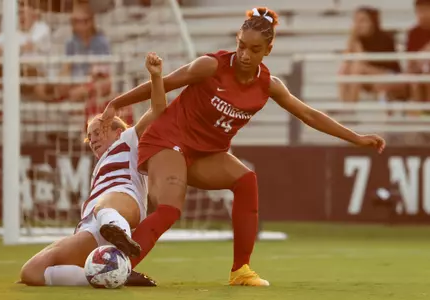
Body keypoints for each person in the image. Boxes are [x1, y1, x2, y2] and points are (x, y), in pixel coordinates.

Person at [100, 7, 386, 287]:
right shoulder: (210, 66)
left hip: (206, 153)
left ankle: (241, 271)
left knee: (246, 180)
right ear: (237, 40)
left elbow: (309, 115)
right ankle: (118, 264)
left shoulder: (269, 85)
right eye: (241, 46)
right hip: (168, 141)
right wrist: (116, 103)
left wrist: (357, 138)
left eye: (255, 49)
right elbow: (166, 82)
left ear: (268, 50)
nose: (245, 55)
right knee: (170, 210)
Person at [19, 52, 166, 287]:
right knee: (32, 272)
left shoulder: (128, 140)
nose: (93, 138)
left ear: (118, 131)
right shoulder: (98, 169)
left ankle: (118, 232)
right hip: (90, 225)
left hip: (122, 202)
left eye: (98, 131)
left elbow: (158, 109)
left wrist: (156, 77)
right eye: (89, 136)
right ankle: (117, 275)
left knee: (102, 205)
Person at [339, 6, 406, 102]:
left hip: (390, 74)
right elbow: (346, 59)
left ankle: (350, 108)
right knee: (344, 68)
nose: (358, 25)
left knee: (358, 67)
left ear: (372, 22)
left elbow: (365, 60)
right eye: (356, 21)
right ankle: (343, 104)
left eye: (362, 21)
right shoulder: (358, 39)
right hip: (368, 75)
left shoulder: (385, 38)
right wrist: (352, 38)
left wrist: (356, 43)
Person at [407, 0, 430, 103]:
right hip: (418, 70)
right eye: (419, 11)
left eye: (425, 10)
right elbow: (410, 61)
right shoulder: (413, 33)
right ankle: (420, 116)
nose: (422, 15)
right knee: (415, 80)